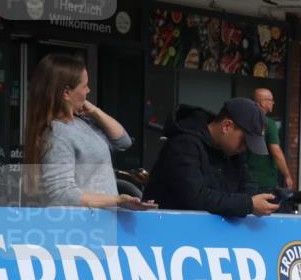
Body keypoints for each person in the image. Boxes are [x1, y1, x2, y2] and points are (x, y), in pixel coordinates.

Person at [24, 53, 155, 210]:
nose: (88, 90)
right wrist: (116, 200)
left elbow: (123, 141)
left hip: (100, 223)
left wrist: (94, 111)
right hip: (85, 227)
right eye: (84, 86)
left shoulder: (82, 122)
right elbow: (61, 193)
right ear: (66, 93)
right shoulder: (58, 135)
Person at [143, 98, 279, 217]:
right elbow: (195, 197)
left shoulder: (233, 153)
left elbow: (248, 186)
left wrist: (257, 201)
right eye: (244, 141)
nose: (245, 148)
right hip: (167, 232)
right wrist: (248, 204)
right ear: (227, 126)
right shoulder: (184, 144)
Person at [247, 88, 294, 192]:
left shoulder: (244, 121)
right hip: (264, 180)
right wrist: (287, 175)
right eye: (271, 100)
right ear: (263, 103)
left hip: (245, 178)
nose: (273, 102)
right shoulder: (269, 123)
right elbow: (276, 152)